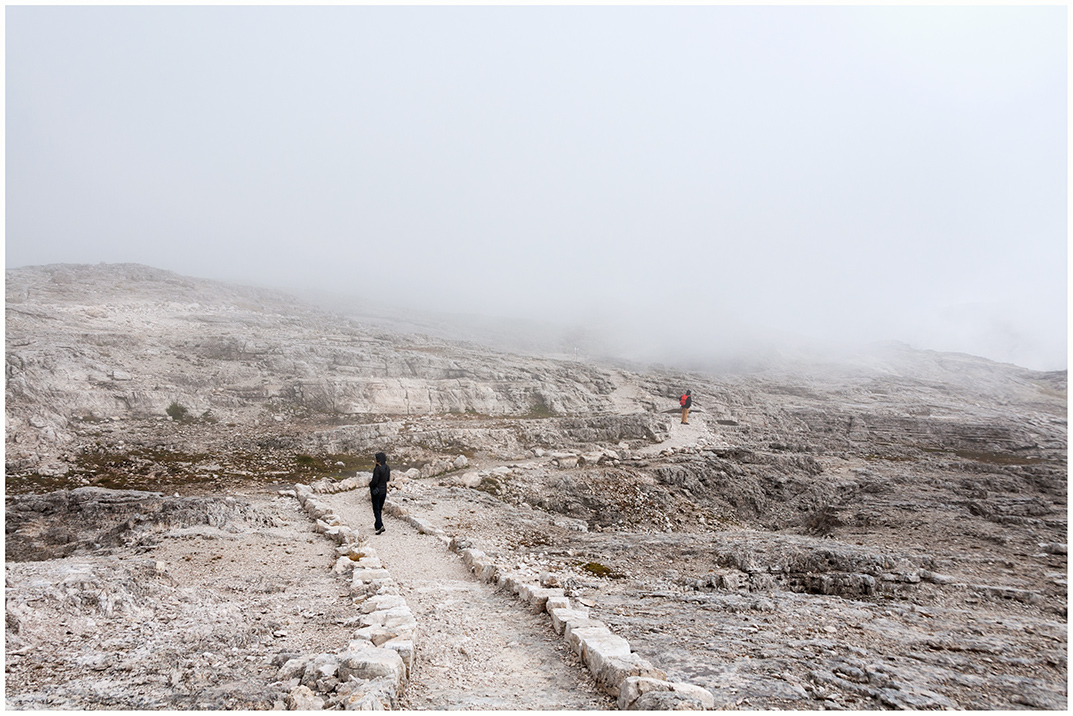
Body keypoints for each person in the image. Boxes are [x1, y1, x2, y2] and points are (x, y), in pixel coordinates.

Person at [369, 452, 390, 535]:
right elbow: (387, 479)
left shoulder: (377, 469)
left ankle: (380, 525)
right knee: (379, 508)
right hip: (384, 490)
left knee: (376, 509)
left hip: (376, 491)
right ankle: (377, 524)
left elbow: (374, 481)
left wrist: (370, 484)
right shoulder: (387, 468)